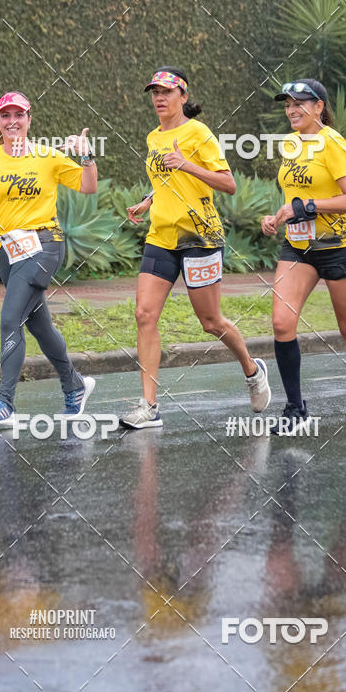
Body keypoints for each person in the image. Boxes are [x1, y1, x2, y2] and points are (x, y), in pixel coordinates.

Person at [119, 66, 270, 429]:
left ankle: (252, 370)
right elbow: (167, 179)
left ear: (183, 97)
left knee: (210, 321)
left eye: (167, 92)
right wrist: (148, 199)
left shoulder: (199, 133)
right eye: (154, 92)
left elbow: (228, 183)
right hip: (161, 237)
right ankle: (149, 406)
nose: (159, 98)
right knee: (144, 314)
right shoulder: (154, 137)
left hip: (200, 236)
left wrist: (187, 164)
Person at [0, 91, 97, 428]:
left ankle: (5, 403)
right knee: (40, 325)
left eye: (19, 115)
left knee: (10, 318)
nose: (12, 121)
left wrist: (87, 156)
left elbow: (87, 186)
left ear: (29, 120)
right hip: (7, 252)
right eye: (5, 116)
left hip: (45, 244)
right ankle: (75, 385)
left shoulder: (47, 156)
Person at [260, 79, 346, 436]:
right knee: (282, 323)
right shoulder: (291, 144)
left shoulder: (333, 143)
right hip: (299, 247)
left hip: (338, 246)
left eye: (300, 103)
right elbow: (295, 193)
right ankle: (295, 409)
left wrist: (308, 206)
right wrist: (277, 216)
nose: (291, 110)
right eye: (287, 104)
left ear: (319, 107)